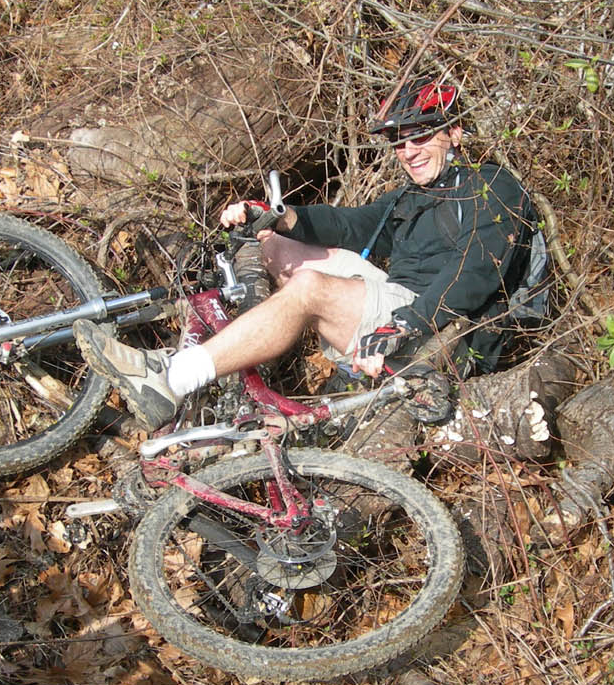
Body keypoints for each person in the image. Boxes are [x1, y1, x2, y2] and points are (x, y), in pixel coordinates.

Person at [74, 74, 540, 429]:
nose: (408, 151)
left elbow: (477, 272)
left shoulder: (493, 188)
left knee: (309, 286)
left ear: (454, 133)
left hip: (443, 330)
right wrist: (277, 216)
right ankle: (247, 353)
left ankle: (173, 380)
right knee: (275, 245)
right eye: (399, 142)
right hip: (398, 301)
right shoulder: (411, 197)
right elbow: (352, 224)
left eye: (420, 136)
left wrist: (402, 325)